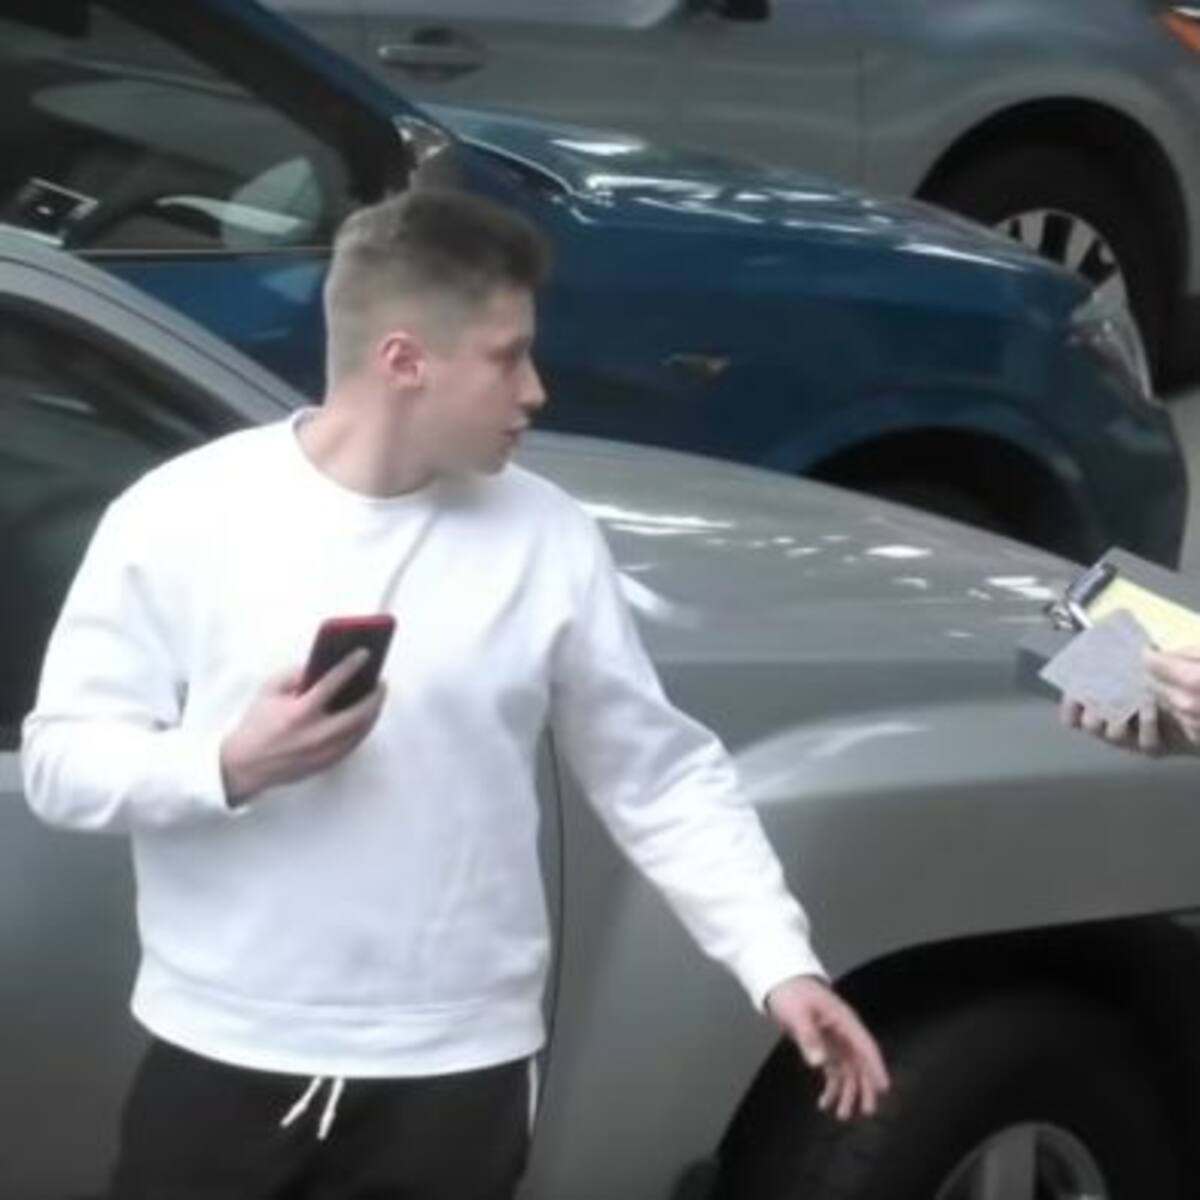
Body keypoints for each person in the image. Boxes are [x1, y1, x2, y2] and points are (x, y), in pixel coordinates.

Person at [21, 187, 889, 1200]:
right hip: (225, 1048)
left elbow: (658, 776)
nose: (536, 391)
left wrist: (778, 963)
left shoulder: (547, 535)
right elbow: (62, 763)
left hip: (458, 1072)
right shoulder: (182, 515)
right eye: (506, 357)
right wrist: (230, 763)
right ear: (404, 361)